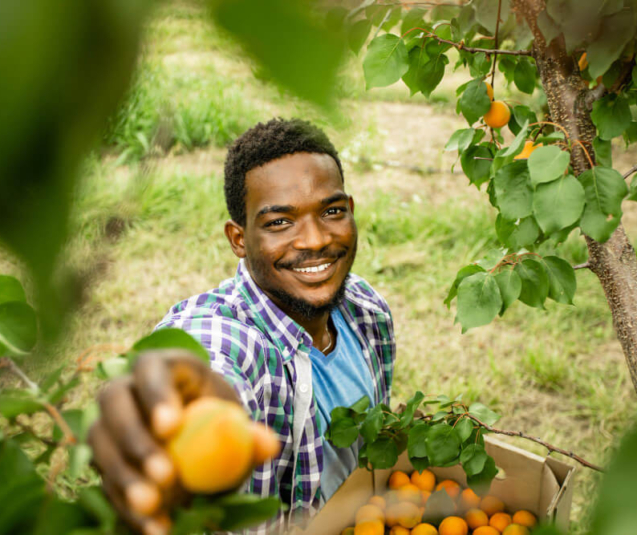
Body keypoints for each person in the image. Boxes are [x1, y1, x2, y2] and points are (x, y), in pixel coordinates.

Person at [89, 118, 396, 534]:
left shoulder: (367, 312)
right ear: (238, 238)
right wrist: (160, 418)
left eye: (331, 211)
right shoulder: (232, 341)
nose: (315, 240)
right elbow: (208, 362)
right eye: (279, 223)